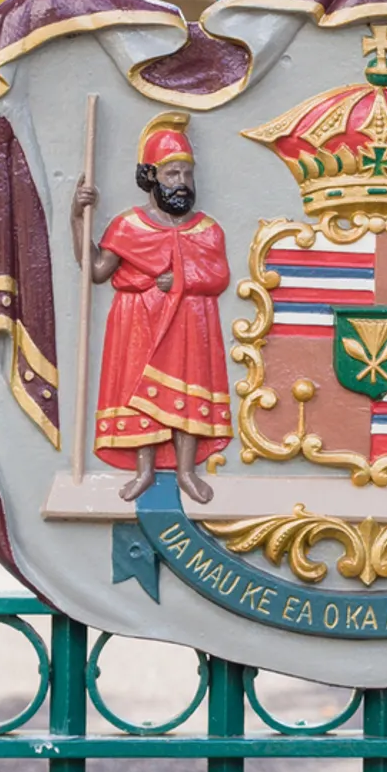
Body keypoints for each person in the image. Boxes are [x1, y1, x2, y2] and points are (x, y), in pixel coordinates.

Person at [71, 113, 232, 503]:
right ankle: (144, 471)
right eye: (172, 173)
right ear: (151, 177)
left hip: (188, 325)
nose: (181, 182)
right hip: (137, 324)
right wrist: (77, 218)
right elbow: (96, 270)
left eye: (187, 173)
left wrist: (181, 280)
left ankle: (186, 471)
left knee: (187, 393)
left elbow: (218, 276)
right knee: (139, 393)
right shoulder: (128, 227)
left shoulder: (207, 230)